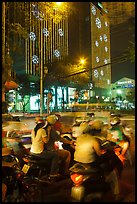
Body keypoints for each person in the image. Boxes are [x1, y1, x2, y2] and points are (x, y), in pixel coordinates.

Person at [73, 119, 123, 201]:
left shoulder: (79, 138)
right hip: (90, 163)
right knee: (112, 174)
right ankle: (117, 195)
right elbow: (100, 153)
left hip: (77, 162)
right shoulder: (96, 139)